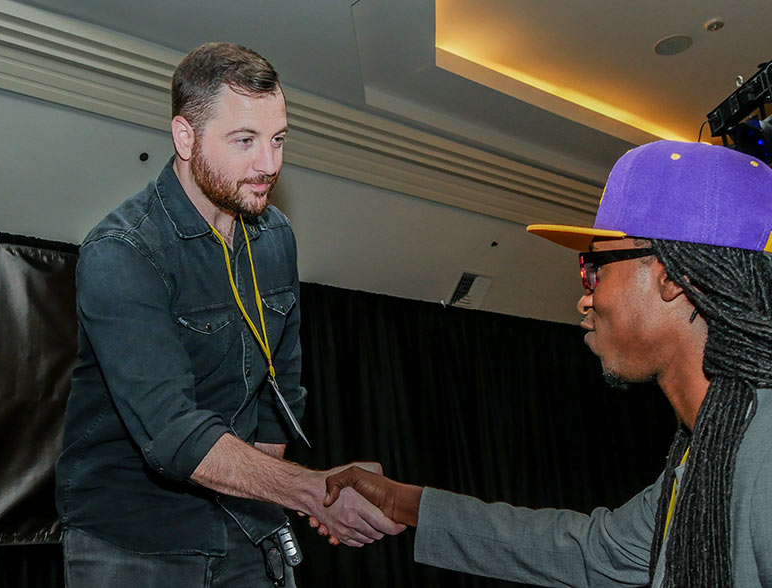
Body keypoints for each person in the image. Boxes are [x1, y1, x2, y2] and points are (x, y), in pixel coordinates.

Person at [324, 140, 772, 587]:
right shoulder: (707, 452)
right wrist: (402, 501)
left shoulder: (764, 450)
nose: (585, 298)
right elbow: (592, 551)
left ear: (674, 277)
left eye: (595, 268)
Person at [55, 42, 404, 588]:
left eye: (278, 139)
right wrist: (317, 491)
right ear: (185, 137)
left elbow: (279, 392)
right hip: (135, 542)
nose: (269, 164)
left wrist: (268, 492)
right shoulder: (123, 251)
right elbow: (174, 435)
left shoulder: (276, 239)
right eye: (245, 140)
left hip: (244, 527)